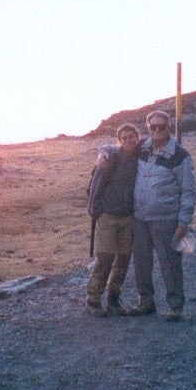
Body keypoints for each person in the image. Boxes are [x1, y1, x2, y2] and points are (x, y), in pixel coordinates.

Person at [129, 109, 196, 322]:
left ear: (169, 128)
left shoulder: (180, 156)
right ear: (148, 128)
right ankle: (146, 302)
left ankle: (175, 306)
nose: (157, 130)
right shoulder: (142, 147)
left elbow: (189, 191)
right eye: (153, 127)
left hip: (166, 218)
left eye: (162, 126)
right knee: (141, 262)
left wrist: (183, 222)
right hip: (140, 217)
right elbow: (118, 148)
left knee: (169, 263)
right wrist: (103, 152)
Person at [85, 123, 141, 317]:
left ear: (137, 137)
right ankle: (93, 300)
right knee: (105, 258)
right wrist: (95, 212)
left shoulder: (141, 156)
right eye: (124, 138)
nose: (128, 141)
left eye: (131, 136)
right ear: (119, 140)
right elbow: (96, 187)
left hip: (128, 216)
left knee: (124, 259)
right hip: (107, 216)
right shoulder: (109, 159)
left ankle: (114, 299)